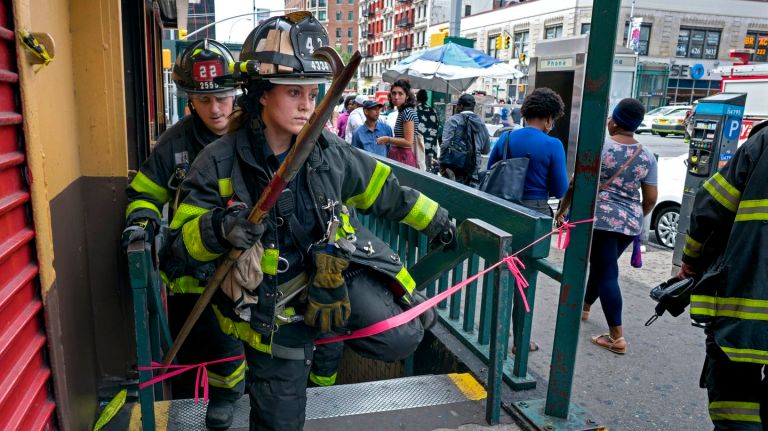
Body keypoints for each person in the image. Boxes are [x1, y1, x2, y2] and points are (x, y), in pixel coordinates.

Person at [166, 12, 453, 430]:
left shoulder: (327, 150)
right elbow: (177, 248)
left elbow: (384, 192)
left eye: (313, 93)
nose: (307, 105)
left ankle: (355, 327)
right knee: (279, 423)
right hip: (271, 316)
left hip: (331, 283)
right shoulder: (218, 161)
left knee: (404, 334)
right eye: (293, 92)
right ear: (261, 94)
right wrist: (219, 228)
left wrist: (438, 220)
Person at [122, 39, 245, 429]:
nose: (215, 109)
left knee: (233, 342)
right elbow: (144, 192)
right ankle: (191, 406)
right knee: (191, 346)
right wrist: (141, 223)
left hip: (243, 268)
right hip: (188, 270)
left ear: (235, 93)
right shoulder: (174, 144)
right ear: (190, 99)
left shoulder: (252, 136)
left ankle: (229, 398)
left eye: (222, 98)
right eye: (203, 100)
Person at [677, 120, 768, 430]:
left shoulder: (761, 144)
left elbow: (709, 205)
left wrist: (690, 260)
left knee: (735, 406)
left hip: (746, 310)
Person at [556, 98, 658, 355]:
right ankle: (585, 307)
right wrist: (634, 216)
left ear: (616, 121)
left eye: (612, 117)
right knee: (603, 266)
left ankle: (616, 337)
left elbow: (574, 183)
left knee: (607, 272)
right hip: (629, 224)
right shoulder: (646, 156)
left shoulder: (599, 147)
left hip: (598, 219)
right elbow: (650, 199)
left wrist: (563, 209)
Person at [487, 87, 568, 215]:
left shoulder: (505, 138)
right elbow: (560, 190)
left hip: (503, 208)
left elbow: (490, 171)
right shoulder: (554, 144)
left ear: (525, 115)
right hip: (536, 211)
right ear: (548, 119)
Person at [440, 93, 490, 185]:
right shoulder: (481, 123)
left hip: (453, 168)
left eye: (457, 105)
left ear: (461, 106)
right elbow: (486, 150)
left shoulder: (453, 120)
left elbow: (445, 144)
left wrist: (442, 164)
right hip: (473, 170)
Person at [386, 79, 419, 167]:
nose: (396, 97)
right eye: (394, 93)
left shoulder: (407, 112)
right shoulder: (403, 111)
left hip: (403, 157)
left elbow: (408, 142)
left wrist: (387, 139)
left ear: (407, 96)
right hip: (400, 155)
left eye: (400, 94)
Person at [415, 89, 441, 170]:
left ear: (417, 98)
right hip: (430, 147)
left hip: (418, 145)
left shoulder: (414, 110)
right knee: (428, 168)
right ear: (426, 98)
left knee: (417, 167)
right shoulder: (433, 111)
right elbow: (437, 127)